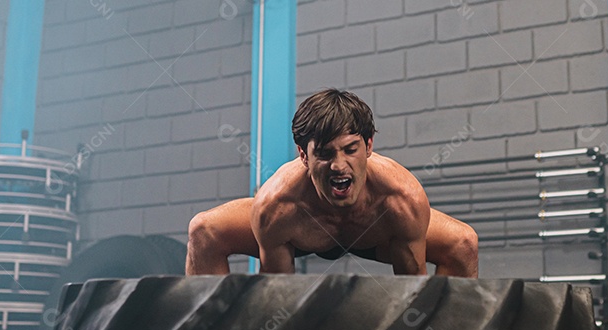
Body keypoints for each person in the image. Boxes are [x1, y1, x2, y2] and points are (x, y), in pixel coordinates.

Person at [186, 88, 478, 277]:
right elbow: (277, 297)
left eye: (351, 149)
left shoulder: (401, 199)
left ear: (369, 146)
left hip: (375, 236)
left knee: (463, 243)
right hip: (301, 232)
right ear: (303, 155)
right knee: (204, 231)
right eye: (324, 154)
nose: (339, 165)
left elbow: (413, 291)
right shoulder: (276, 205)